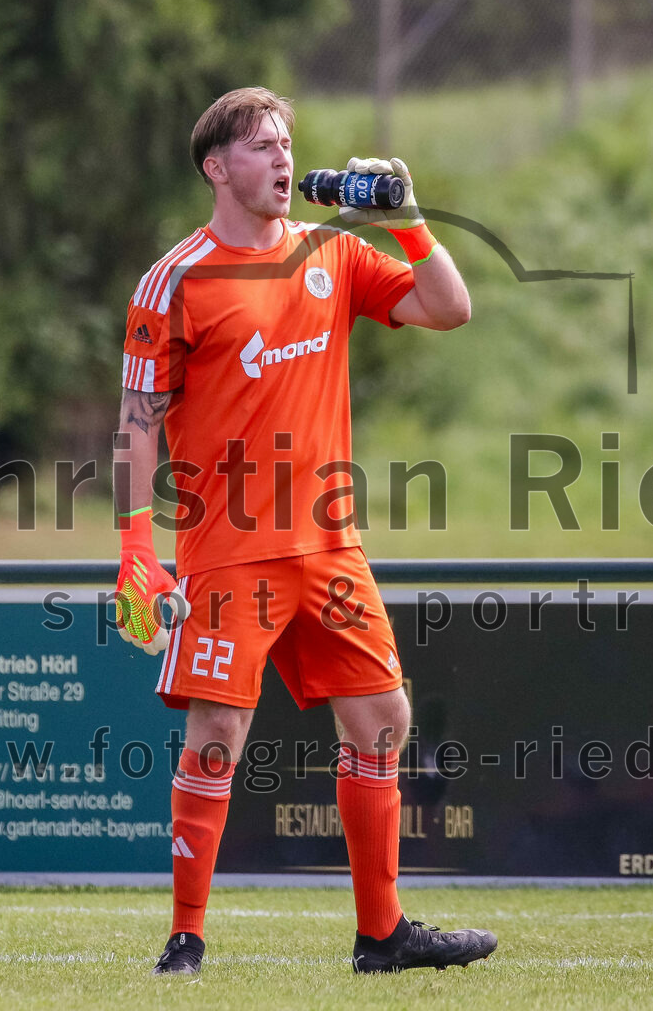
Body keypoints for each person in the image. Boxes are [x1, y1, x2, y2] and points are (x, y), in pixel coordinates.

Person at [113, 86, 497, 975]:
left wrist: (406, 222)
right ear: (217, 167)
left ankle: (382, 934)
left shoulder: (334, 253)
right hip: (230, 550)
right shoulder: (174, 280)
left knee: (383, 723)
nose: (283, 159)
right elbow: (136, 420)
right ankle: (186, 939)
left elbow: (448, 309)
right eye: (260, 145)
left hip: (329, 546)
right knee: (216, 737)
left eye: (287, 143)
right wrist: (136, 550)